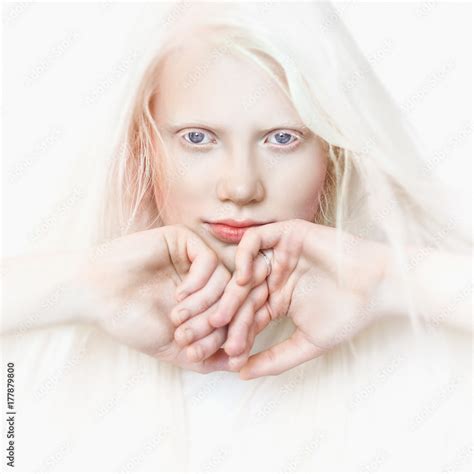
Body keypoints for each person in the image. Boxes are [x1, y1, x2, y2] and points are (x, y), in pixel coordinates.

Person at [2, 2, 471, 470]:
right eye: (198, 138)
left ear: (333, 152)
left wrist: (394, 279)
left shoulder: (433, 374)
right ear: (142, 142)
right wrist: (80, 285)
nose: (241, 187)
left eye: (282, 138)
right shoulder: (38, 363)